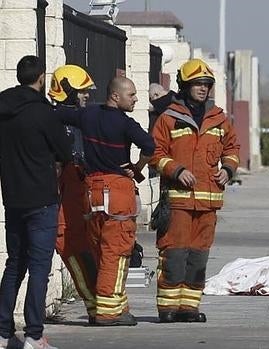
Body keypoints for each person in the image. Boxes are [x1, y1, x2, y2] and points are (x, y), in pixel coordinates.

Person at [59, 76, 155, 326]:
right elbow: (149, 145)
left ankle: (118, 307)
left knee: (99, 251)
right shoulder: (126, 124)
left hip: (91, 192)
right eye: (131, 95)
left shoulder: (88, 115)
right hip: (117, 192)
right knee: (117, 252)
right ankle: (108, 312)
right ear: (116, 96)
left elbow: (61, 115)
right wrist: (137, 167)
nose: (135, 99)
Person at [150, 58, 240, 323]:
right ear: (184, 85)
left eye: (206, 84)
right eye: (197, 84)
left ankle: (188, 307)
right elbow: (155, 153)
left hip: (209, 202)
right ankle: (168, 308)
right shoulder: (169, 118)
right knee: (174, 253)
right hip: (178, 201)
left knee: (199, 257)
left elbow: (233, 149)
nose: (203, 88)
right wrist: (176, 170)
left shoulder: (219, 119)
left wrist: (228, 170)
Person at [0, 55, 71, 349]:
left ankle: (3, 332)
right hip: (42, 199)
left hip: (13, 198)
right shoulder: (45, 113)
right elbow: (65, 152)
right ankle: (33, 334)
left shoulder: (2, 109)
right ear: (41, 78)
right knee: (40, 266)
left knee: (15, 263)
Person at [48, 64, 98, 324]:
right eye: (82, 91)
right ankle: (93, 303)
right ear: (67, 91)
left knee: (85, 245)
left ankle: (97, 301)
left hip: (81, 188)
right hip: (65, 192)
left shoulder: (78, 118)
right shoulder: (57, 119)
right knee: (71, 244)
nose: (86, 95)